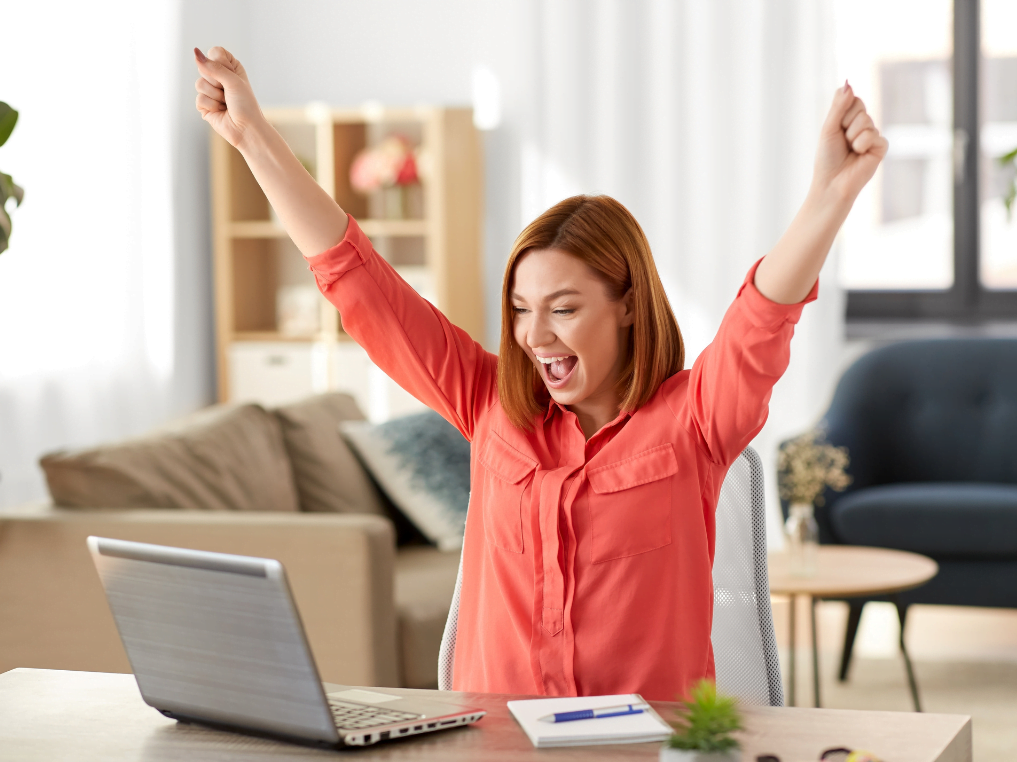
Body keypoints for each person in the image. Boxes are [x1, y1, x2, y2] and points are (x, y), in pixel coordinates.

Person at [193, 46, 887, 700]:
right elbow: (358, 282)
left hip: (638, 760)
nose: (536, 335)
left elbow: (761, 316)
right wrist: (252, 134)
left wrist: (831, 195)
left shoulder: (695, 422)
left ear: (626, 307)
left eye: (564, 308)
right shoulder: (488, 403)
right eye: (522, 310)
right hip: (494, 758)